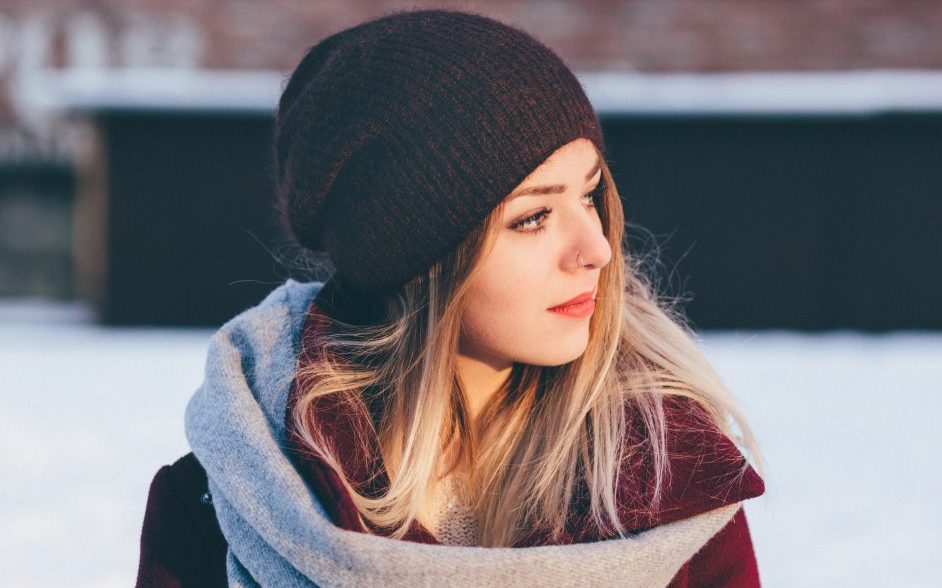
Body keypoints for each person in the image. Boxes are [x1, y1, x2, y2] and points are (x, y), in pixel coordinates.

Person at [136, 8, 767, 587]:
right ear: (418, 261)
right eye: (533, 218)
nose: (596, 250)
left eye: (589, 195)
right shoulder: (228, 503)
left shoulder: (668, 489)